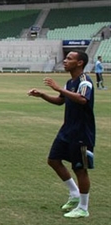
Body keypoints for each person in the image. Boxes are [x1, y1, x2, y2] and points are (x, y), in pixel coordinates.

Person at [27, 51, 96, 219]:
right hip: (67, 130)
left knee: (80, 169)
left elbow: (82, 99)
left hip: (81, 132)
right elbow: (60, 101)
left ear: (79, 63)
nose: (65, 61)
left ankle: (83, 207)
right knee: (53, 160)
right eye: (65, 58)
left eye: (69, 59)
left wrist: (58, 88)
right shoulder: (69, 82)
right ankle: (74, 193)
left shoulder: (84, 81)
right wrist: (43, 94)